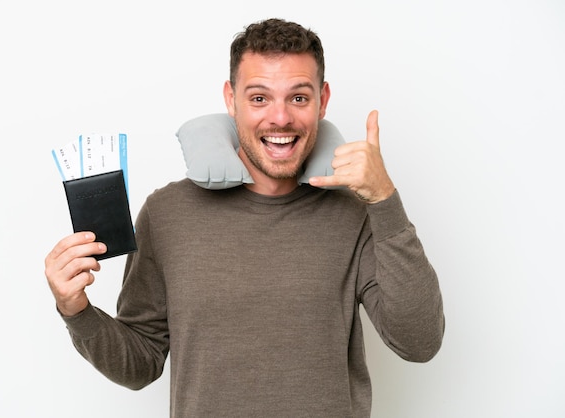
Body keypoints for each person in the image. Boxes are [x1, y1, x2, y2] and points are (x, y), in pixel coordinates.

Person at [45, 18, 444, 417]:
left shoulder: (354, 215)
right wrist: (77, 310)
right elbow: (141, 363)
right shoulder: (167, 215)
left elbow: (419, 342)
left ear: (323, 100)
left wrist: (384, 200)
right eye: (259, 98)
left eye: (299, 98)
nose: (281, 118)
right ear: (230, 98)